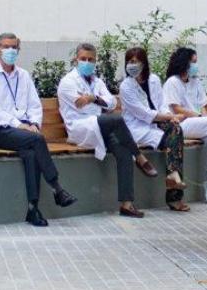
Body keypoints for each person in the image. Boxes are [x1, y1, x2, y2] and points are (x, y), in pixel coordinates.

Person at [0, 32, 77, 227]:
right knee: (37, 140)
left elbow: (34, 105)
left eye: (14, 47)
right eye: (5, 47)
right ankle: (57, 188)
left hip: (26, 132)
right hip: (3, 130)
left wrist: (34, 124)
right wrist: (21, 126)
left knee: (31, 154)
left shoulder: (23, 75)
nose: (10, 51)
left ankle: (33, 209)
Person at [59, 43, 159, 218]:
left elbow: (113, 103)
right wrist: (98, 102)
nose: (87, 62)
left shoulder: (97, 82)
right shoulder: (67, 82)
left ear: (95, 61)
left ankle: (127, 205)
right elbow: (81, 107)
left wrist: (93, 98)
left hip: (100, 125)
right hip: (80, 128)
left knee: (124, 151)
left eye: (90, 59)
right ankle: (140, 157)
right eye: (83, 59)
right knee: (116, 119)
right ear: (76, 60)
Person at [118, 46, 189, 212]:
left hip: (156, 122)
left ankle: (173, 178)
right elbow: (142, 113)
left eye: (135, 61)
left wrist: (169, 117)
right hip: (137, 128)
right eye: (129, 62)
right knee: (174, 135)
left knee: (176, 131)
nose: (131, 65)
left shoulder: (154, 80)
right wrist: (169, 117)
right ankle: (174, 196)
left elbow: (162, 103)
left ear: (144, 63)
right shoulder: (126, 86)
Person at [162, 46, 207, 202]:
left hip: (199, 123)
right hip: (181, 125)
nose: (196, 66)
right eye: (193, 62)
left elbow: (202, 105)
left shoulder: (195, 82)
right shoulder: (172, 82)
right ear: (184, 63)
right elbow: (176, 108)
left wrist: (202, 116)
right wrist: (200, 115)